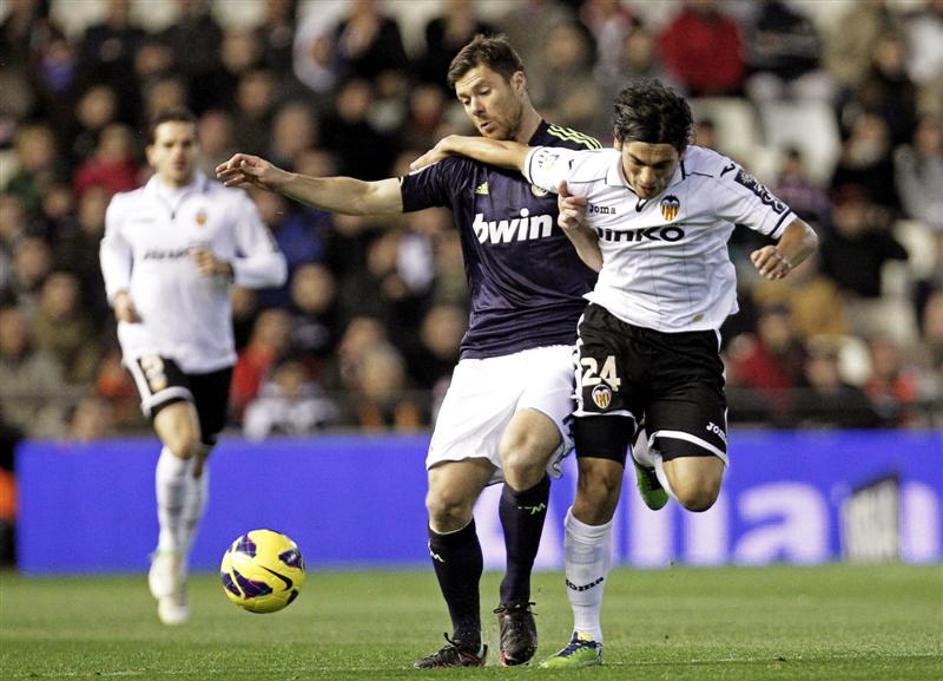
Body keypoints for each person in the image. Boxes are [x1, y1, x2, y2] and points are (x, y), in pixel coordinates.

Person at [216, 35, 600, 668]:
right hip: (485, 354)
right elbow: (367, 196)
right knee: (445, 500)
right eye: (464, 98)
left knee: (524, 454)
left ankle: (516, 599)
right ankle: (465, 641)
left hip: (564, 341)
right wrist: (280, 178)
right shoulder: (461, 168)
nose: (475, 106)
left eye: (485, 90)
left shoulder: (577, 156)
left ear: (520, 80)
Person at [410, 79, 819, 666]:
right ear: (617, 143)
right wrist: (454, 140)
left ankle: (649, 449)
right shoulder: (587, 169)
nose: (648, 177)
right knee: (596, 485)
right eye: (637, 161)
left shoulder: (718, 178)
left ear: (686, 150)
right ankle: (585, 637)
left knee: (698, 495)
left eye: (662, 164)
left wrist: (785, 254)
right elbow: (517, 154)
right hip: (611, 334)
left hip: (688, 348)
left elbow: (800, 231)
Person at [99, 109, 287, 625]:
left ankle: (177, 560)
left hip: (211, 350)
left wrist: (231, 267)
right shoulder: (127, 208)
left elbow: (273, 266)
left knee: (197, 459)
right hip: (149, 341)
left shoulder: (228, 206)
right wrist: (119, 293)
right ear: (152, 153)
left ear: (198, 148)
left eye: (186, 143)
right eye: (168, 144)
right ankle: (165, 548)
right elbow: (112, 251)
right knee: (180, 441)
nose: (178, 152)